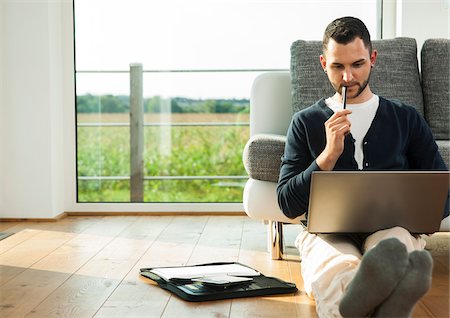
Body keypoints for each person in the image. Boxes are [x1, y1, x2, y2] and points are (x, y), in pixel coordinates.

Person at [276, 16, 449, 318]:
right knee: (336, 270)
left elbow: (443, 195)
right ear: (322, 63)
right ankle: (385, 298)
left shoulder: (406, 118)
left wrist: (415, 218)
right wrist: (326, 157)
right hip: (326, 233)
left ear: (372, 58)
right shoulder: (305, 122)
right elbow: (287, 203)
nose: (347, 78)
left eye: (357, 65)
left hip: (392, 227)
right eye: (337, 67)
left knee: (394, 246)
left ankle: (364, 298)